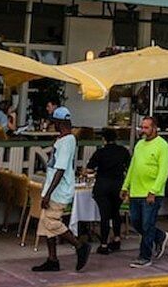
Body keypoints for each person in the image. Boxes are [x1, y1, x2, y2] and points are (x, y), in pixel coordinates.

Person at [33, 107, 90, 273]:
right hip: (52, 189)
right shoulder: (63, 139)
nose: (53, 125)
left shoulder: (67, 141)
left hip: (59, 191)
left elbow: (60, 169)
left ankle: (79, 245)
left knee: (51, 222)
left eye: (54, 122)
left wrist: (49, 193)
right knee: (45, 225)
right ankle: (52, 259)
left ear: (59, 123)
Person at [121, 116, 168, 268]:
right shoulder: (139, 145)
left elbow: (164, 171)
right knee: (137, 223)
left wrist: (153, 191)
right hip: (136, 191)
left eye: (146, 128)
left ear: (154, 128)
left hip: (151, 193)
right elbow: (133, 167)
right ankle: (159, 236)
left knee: (147, 224)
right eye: (142, 127)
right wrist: (125, 186)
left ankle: (145, 256)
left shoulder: (163, 146)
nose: (143, 130)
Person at [87, 127, 130, 255]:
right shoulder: (123, 151)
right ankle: (117, 238)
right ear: (116, 139)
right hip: (118, 185)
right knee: (116, 212)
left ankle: (104, 244)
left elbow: (89, 169)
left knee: (104, 216)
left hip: (102, 185)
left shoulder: (100, 152)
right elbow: (129, 168)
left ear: (103, 139)